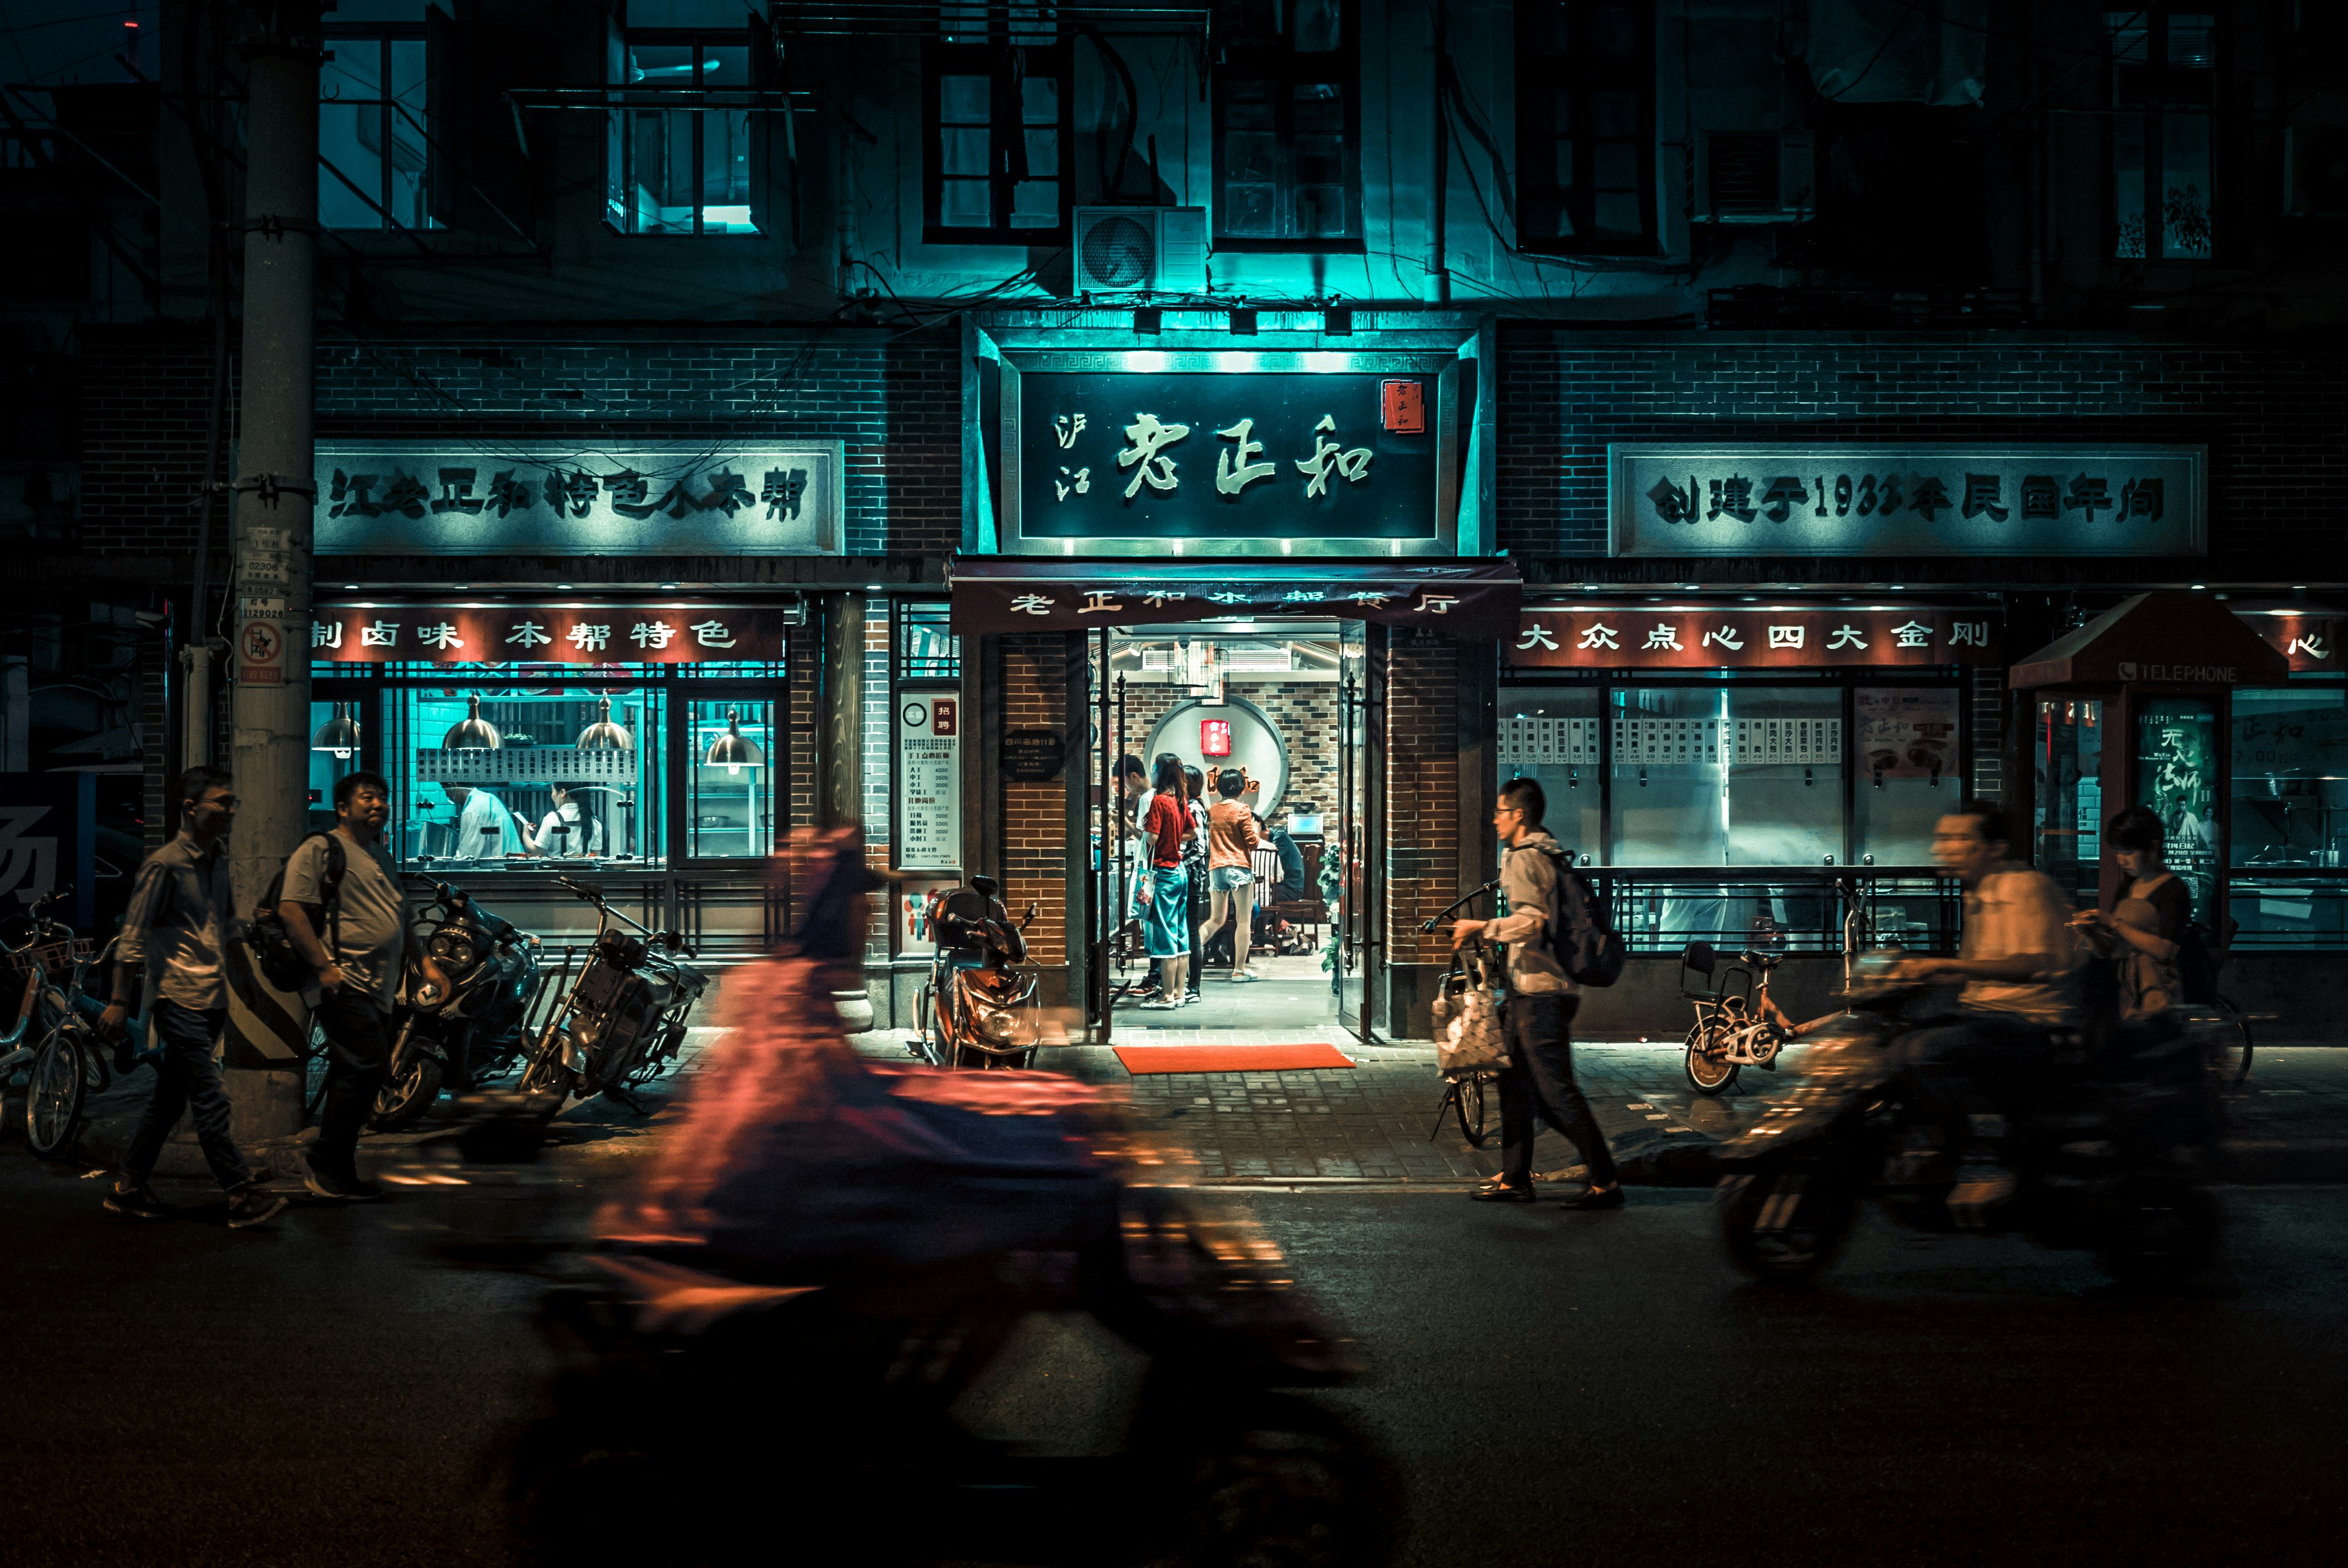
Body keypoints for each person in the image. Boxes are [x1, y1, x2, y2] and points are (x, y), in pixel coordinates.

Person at [97, 766, 287, 1228]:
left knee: (169, 1101)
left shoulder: (218, 860)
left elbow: (227, 932)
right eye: (222, 802)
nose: (230, 811)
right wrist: (120, 1002)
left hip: (211, 1001)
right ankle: (239, 1194)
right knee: (210, 1094)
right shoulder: (165, 864)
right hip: (177, 999)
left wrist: (250, 994)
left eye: (231, 802)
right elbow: (133, 936)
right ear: (190, 807)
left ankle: (128, 1186)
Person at [1892, 800, 2083, 1224]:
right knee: (1890, 1045)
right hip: (1988, 1017)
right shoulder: (1979, 893)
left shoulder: (2021, 886)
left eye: (1961, 839)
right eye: (1943, 838)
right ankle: (1934, 1149)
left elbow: (2035, 962)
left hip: (2031, 1025)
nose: (1946, 848)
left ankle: (1987, 1160)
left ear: (1995, 848)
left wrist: (1946, 965)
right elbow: (1980, 972)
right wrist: (1911, 976)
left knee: (1923, 1052)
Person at [1452, 778, 1622, 1210]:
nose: (1493, 820)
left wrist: (1482, 929)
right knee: (1513, 1083)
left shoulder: (1525, 857)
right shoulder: (1549, 852)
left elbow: (1530, 921)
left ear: (1518, 815)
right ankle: (1514, 1177)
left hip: (1542, 992)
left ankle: (1605, 1179)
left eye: (1499, 811)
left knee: (1555, 1091)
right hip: (1530, 988)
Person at [280, 771, 447, 1201]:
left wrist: (427, 965)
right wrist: (324, 968)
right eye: (368, 798)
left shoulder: (380, 856)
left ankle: (336, 1167)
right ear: (343, 808)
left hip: (377, 987)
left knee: (358, 1072)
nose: (380, 805)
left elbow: (402, 919)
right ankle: (326, 1165)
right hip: (342, 982)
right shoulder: (321, 849)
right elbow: (292, 910)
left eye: (384, 798)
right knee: (366, 1067)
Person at [2071, 805, 2189, 1022]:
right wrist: (2091, 932)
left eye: (2128, 853)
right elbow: (2110, 948)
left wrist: (2115, 923)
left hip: (2154, 990)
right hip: (2123, 989)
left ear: (2153, 848)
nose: (2121, 860)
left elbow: (2166, 950)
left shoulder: (2174, 890)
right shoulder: (2128, 885)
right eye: (2118, 853)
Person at [1200, 768, 1268, 983]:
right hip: (1238, 867)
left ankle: (1187, 954)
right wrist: (1256, 829)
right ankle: (1239, 970)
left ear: (1219, 787)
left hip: (1216, 868)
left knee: (1216, 919)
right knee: (1243, 920)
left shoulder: (1212, 810)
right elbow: (1253, 842)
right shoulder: (1242, 809)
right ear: (1241, 788)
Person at [1136, 754, 1192, 1009]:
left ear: (1160, 771)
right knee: (1181, 934)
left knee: (1165, 934)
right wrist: (1174, 836)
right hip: (1180, 871)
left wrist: (1156, 833)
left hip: (1164, 872)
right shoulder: (1180, 800)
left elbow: (1151, 838)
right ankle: (1180, 992)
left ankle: (1166, 996)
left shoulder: (1159, 801)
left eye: (1154, 768)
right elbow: (1192, 832)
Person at [1181, 765, 1209, 1001]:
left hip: (1191, 878)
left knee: (1191, 931)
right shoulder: (1190, 806)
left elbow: (1200, 848)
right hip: (1189, 876)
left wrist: (1177, 860)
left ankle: (1194, 987)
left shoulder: (1194, 808)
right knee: (1187, 930)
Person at [439, 783, 519, 862]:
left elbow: (469, 852)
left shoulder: (474, 809)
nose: (447, 795)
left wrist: (453, 865)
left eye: (445, 790)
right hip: (508, 864)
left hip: (498, 868)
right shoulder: (487, 798)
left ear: (454, 786)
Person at [526, 783, 606, 859]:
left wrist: (525, 834)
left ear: (563, 793)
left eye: (553, 791)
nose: (552, 796)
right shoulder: (594, 822)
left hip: (556, 871)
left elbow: (537, 853)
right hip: (585, 872)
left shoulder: (552, 818)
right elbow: (595, 856)